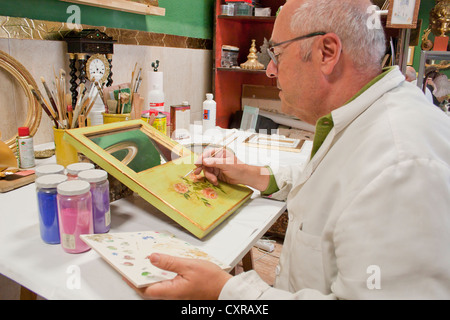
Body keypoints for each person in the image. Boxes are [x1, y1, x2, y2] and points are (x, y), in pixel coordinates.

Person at [126, 0, 450, 299]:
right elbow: (327, 184)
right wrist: (248, 173)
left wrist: (224, 293)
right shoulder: (361, 123)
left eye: (277, 55)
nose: (269, 70)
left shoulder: (401, 164)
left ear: (327, 52)